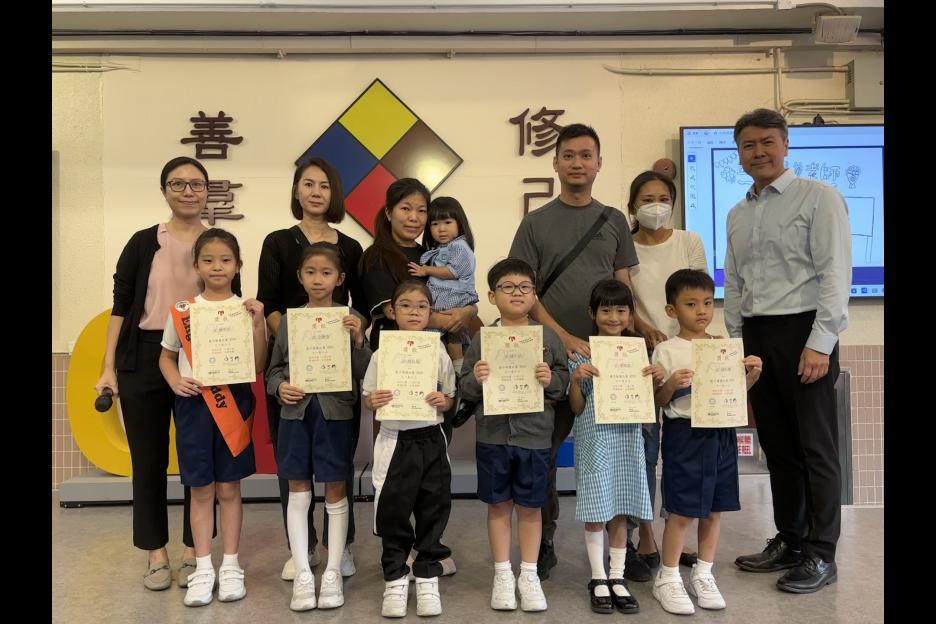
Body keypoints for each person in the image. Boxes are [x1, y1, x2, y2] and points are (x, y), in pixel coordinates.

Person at [508, 123, 647, 579]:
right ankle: (544, 541)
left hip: (609, 360)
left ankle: (622, 549)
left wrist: (641, 333)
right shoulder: (535, 223)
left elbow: (623, 286)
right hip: (550, 356)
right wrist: (564, 337)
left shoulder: (613, 220)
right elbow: (525, 290)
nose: (577, 163)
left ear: (599, 163)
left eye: (586, 155)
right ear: (555, 163)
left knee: (619, 452)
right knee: (544, 452)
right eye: (568, 155)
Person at [726, 108, 851, 594]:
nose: (758, 152)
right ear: (739, 153)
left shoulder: (819, 197)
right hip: (757, 337)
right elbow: (734, 282)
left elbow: (835, 274)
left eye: (767, 142)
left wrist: (820, 343)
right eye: (748, 145)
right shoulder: (738, 213)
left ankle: (822, 552)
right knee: (777, 446)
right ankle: (792, 540)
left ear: (784, 145)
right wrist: (736, 343)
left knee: (816, 447)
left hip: (804, 332)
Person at [94, 156, 223, 592]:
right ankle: (155, 554)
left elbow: (227, 299)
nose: (188, 191)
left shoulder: (216, 241)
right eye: (178, 184)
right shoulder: (143, 241)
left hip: (200, 356)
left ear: (207, 191)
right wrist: (108, 367)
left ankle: (193, 551)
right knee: (148, 460)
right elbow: (121, 305)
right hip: (144, 355)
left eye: (196, 184)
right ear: (164, 190)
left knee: (196, 458)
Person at [257, 156, 365, 581]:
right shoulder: (277, 242)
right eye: (308, 183)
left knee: (338, 465)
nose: (316, 192)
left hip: (337, 374)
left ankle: (342, 547)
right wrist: (299, 339)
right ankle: (301, 550)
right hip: (295, 371)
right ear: (296, 190)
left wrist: (348, 336)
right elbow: (268, 302)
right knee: (295, 467)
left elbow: (360, 307)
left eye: (324, 185)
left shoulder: (351, 247)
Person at [158, 228, 267, 607]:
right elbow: (166, 357)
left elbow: (258, 364)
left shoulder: (246, 310)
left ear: (238, 266)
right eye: (208, 260)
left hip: (234, 403)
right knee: (201, 489)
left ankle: (231, 565)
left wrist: (259, 323)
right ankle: (203, 567)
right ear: (196, 266)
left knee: (230, 488)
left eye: (225, 260)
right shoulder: (183, 311)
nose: (217, 267)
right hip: (193, 406)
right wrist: (175, 381)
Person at [266, 243, 373, 611]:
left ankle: (332, 569)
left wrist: (359, 339)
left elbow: (367, 371)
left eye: (326, 273)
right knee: (297, 487)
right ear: (300, 277)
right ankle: (303, 570)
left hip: (335, 415)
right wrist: (280, 387)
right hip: (296, 415)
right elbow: (273, 370)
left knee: (335, 488)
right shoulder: (290, 320)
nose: (317, 279)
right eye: (310, 272)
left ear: (339, 279)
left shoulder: (351, 318)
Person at [458, 258, 568, 612]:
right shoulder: (483, 339)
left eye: (524, 287)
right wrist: (476, 377)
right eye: (508, 287)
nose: (517, 293)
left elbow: (563, 383)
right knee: (499, 505)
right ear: (493, 296)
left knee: (532, 507)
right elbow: (464, 387)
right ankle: (503, 573)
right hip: (493, 435)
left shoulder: (548, 338)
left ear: (534, 295)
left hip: (534, 435)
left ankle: (529, 574)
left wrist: (551, 380)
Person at [651, 269, 762, 615]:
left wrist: (751, 376)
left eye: (707, 303)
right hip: (685, 435)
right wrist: (672, 384)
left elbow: (733, 395)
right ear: (672, 310)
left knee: (715, 509)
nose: (701, 310)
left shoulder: (723, 347)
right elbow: (657, 401)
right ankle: (668, 576)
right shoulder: (666, 350)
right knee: (682, 510)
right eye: (691, 304)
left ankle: (703, 572)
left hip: (722, 433)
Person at [624, 170, 708, 580]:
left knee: (682, 449)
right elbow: (623, 296)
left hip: (685, 353)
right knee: (644, 447)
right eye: (646, 199)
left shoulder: (689, 241)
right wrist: (642, 328)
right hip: (640, 354)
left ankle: (677, 529)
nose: (655, 206)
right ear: (632, 206)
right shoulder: (625, 245)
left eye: (663, 198)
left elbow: (701, 291)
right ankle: (644, 534)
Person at [362, 281, 457, 618]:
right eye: (405, 305)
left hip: (431, 439)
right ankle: (395, 578)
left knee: (433, 508)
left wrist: (443, 401)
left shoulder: (439, 351)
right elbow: (368, 396)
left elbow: (450, 397)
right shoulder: (382, 353)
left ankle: (427, 576)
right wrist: (373, 400)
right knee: (394, 512)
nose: (414, 312)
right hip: (395, 440)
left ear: (430, 312)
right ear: (392, 311)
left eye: (421, 306)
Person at [567, 279, 662, 614]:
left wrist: (655, 379)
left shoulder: (639, 353)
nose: (614, 317)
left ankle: (617, 576)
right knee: (596, 511)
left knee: (621, 508)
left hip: (628, 439)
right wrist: (576, 380)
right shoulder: (581, 353)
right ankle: (597, 577)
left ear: (630, 315)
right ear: (592, 313)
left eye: (621, 310)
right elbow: (576, 407)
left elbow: (648, 402)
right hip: (595, 440)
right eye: (606, 310)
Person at [359, 179, 476, 352]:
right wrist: (456, 319)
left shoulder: (430, 255)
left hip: (437, 350)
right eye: (405, 209)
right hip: (397, 351)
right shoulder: (375, 256)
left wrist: (469, 311)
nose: (414, 218)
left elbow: (458, 293)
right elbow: (393, 311)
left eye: (421, 211)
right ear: (389, 213)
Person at [407, 196, 479, 362]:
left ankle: (457, 366)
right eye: (435, 224)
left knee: (453, 332)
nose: (441, 229)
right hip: (446, 294)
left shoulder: (459, 246)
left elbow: (452, 272)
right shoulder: (442, 247)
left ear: (460, 223)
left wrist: (426, 270)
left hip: (454, 295)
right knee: (451, 335)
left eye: (447, 222)